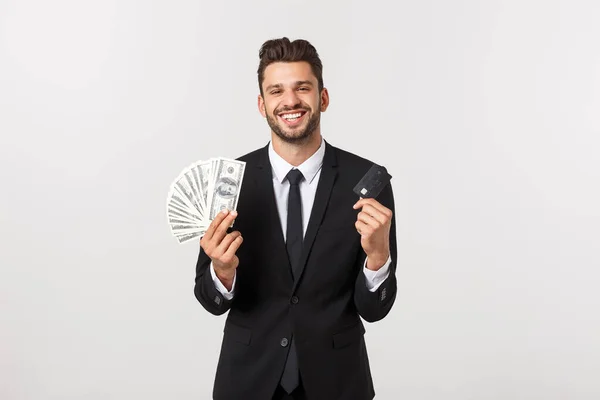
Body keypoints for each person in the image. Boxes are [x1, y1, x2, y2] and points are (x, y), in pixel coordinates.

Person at [194, 37, 398, 400]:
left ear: (323, 98)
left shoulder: (368, 181)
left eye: (302, 88)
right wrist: (221, 273)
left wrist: (378, 259)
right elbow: (210, 300)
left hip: (338, 383)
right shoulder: (228, 181)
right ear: (262, 105)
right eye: (276, 91)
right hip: (247, 381)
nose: (290, 101)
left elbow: (375, 310)